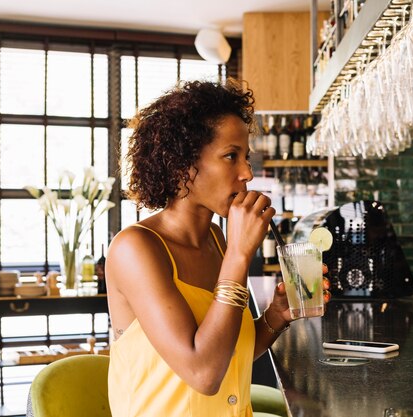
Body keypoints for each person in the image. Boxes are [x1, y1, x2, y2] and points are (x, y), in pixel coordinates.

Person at [106, 79, 294, 417]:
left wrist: (275, 318)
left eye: (246, 157)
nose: (247, 173)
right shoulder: (135, 249)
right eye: (230, 156)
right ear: (182, 165)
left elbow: (225, 352)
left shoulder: (218, 241)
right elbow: (203, 373)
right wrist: (239, 255)